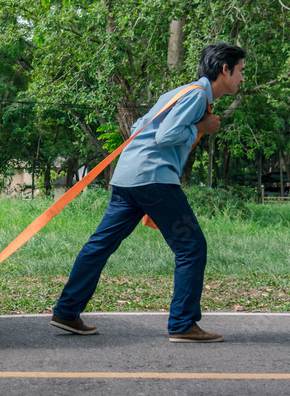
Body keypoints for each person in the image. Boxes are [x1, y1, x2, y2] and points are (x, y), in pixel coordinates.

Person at [50, 42, 246, 343]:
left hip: (128, 177)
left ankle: (66, 311)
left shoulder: (179, 92)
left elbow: (141, 126)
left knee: (100, 245)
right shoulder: (196, 96)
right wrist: (201, 127)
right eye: (241, 71)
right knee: (192, 248)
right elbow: (167, 135)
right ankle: (182, 324)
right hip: (153, 179)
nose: (242, 78)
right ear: (224, 69)